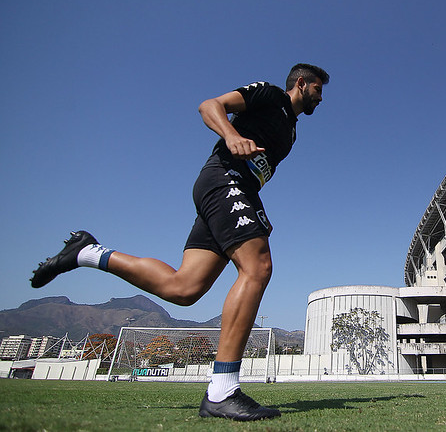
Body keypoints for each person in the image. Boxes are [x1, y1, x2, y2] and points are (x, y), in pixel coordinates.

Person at [30, 63, 329, 421]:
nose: (321, 98)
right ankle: (222, 390)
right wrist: (231, 135)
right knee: (257, 266)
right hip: (224, 179)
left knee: (184, 288)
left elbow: (260, 168)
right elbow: (209, 105)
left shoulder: (292, 129)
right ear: (302, 83)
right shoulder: (269, 94)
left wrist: (255, 212)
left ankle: (88, 253)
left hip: (238, 191)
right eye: (318, 89)